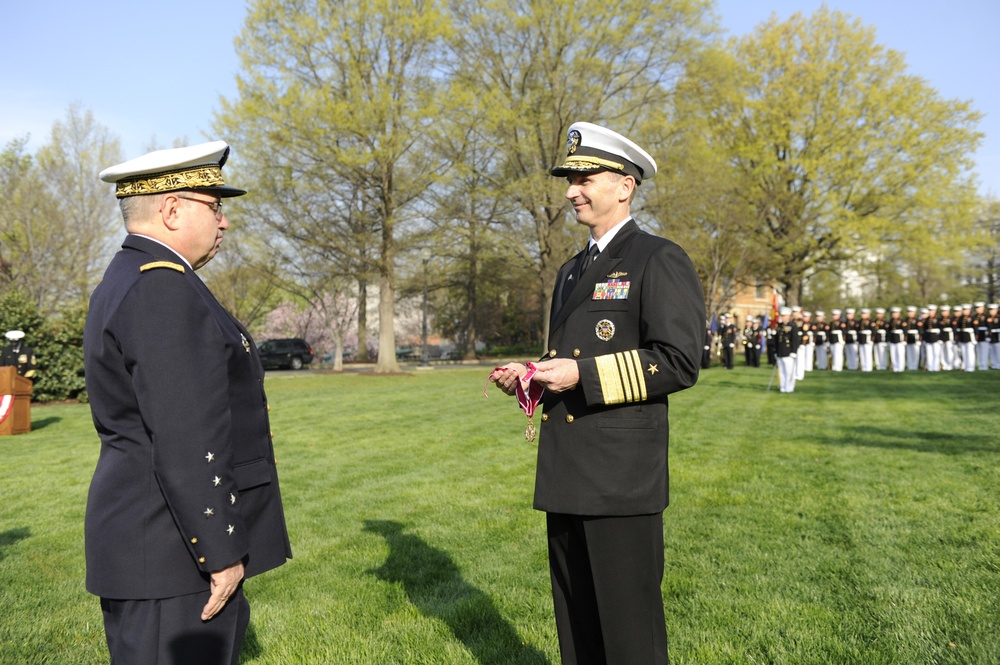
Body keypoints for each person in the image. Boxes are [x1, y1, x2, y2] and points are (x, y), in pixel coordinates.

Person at [489, 122, 703, 665]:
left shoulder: (658, 258)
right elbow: (572, 352)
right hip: (566, 473)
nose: (571, 190)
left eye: (585, 177)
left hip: (620, 480)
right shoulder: (570, 270)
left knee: (629, 636)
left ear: (625, 185)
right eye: (569, 178)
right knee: (577, 628)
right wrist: (531, 372)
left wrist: (580, 377)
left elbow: (679, 362)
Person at [84, 141, 292, 664]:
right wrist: (219, 552)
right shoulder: (162, 290)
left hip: (154, 540)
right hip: (172, 550)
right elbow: (186, 434)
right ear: (173, 209)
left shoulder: (134, 278)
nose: (224, 223)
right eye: (215, 206)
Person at [774, 307, 800, 393]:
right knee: (781, 371)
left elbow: (795, 340)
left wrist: (794, 351)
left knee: (789, 371)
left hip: (788, 352)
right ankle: (783, 386)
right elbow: (777, 340)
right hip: (780, 352)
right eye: (782, 316)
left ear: (789, 316)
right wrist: (776, 351)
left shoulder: (792, 326)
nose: (783, 317)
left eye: (785, 316)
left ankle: (789, 387)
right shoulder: (780, 326)